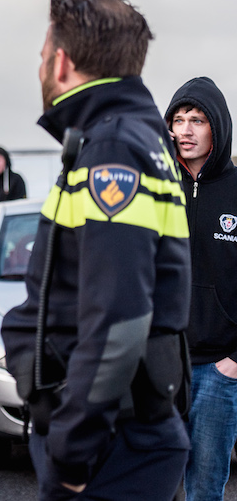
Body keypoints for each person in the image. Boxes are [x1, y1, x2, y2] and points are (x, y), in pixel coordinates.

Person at [0, 0, 190, 499]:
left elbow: (119, 319)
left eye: (42, 57)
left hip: (109, 445)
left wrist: (71, 453)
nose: (40, 67)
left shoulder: (113, 147)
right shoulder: (132, 136)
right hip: (121, 433)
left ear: (61, 62)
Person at [165, 77, 237, 500]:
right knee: (145, 482)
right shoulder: (156, 186)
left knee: (205, 489)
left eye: (197, 120)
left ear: (218, 128)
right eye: (178, 119)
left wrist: (234, 361)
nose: (186, 130)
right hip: (158, 365)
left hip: (217, 368)